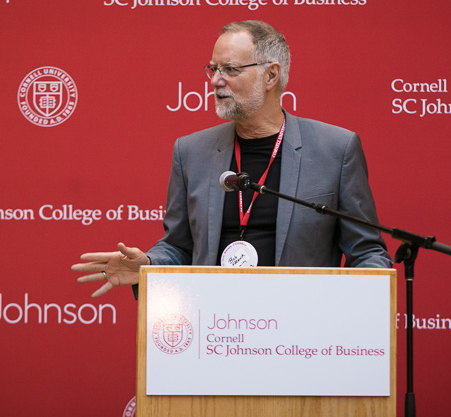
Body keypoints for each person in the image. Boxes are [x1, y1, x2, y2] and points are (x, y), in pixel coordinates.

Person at [73, 20, 392, 297]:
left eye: (231, 69)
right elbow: (179, 246)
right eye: (213, 69)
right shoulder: (190, 151)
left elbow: (367, 251)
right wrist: (148, 266)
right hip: (214, 330)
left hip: (301, 332)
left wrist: (364, 306)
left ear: (271, 76)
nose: (215, 81)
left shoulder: (335, 149)